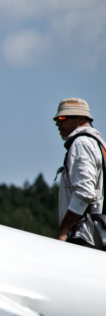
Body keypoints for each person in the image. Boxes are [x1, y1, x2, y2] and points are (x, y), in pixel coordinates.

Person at [54, 98, 106, 244]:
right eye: (56, 120)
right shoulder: (98, 145)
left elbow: (84, 193)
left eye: (62, 118)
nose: (58, 123)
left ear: (81, 119)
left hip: (85, 237)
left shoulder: (82, 143)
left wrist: (63, 231)